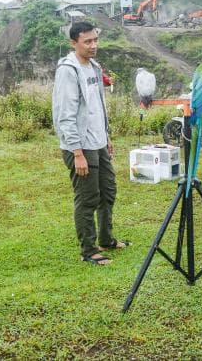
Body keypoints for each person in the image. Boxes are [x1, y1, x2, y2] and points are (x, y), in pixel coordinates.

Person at [53, 21, 128, 266]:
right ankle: (88, 250)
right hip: (80, 145)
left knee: (108, 192)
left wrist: (106, 136)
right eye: (87, 41)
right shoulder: (68, 70)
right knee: (87, 197)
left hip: (98, 142)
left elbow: (97, 107)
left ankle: (106, 239)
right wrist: (77, 152)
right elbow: (66, 114)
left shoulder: (94, 68)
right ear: (74, 43)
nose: (93, 45)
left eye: (95, 40)